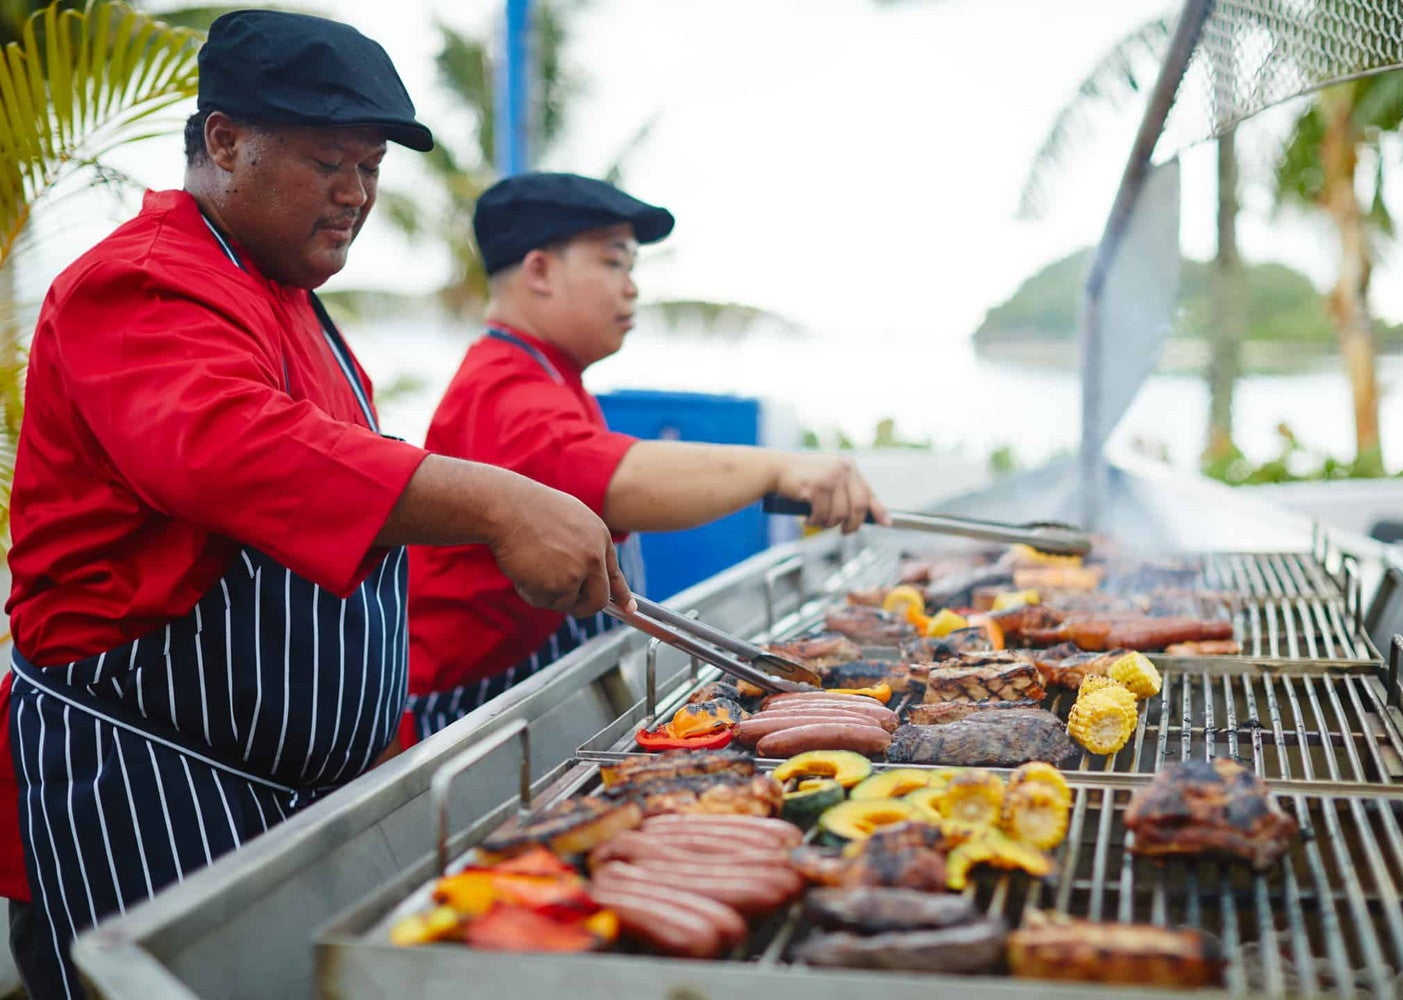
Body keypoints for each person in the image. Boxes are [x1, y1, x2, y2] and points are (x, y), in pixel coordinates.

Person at [0, 15, 629, 998]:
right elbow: (242, 454)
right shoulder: (139, 284)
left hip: (292, 793)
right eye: (329, 159)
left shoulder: (286, 291)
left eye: (371, 166)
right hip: (142, 782)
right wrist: (503, 502)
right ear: (222, 141)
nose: (356, 194)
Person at [404, 172, 888, 742]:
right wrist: (777, 469)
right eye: (615, 264)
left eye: (632, 269)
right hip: (476, 717)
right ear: (538, 271)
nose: (632, 288)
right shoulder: (501, 391)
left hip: (534, 693)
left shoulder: (551, 377)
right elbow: (617, 479)